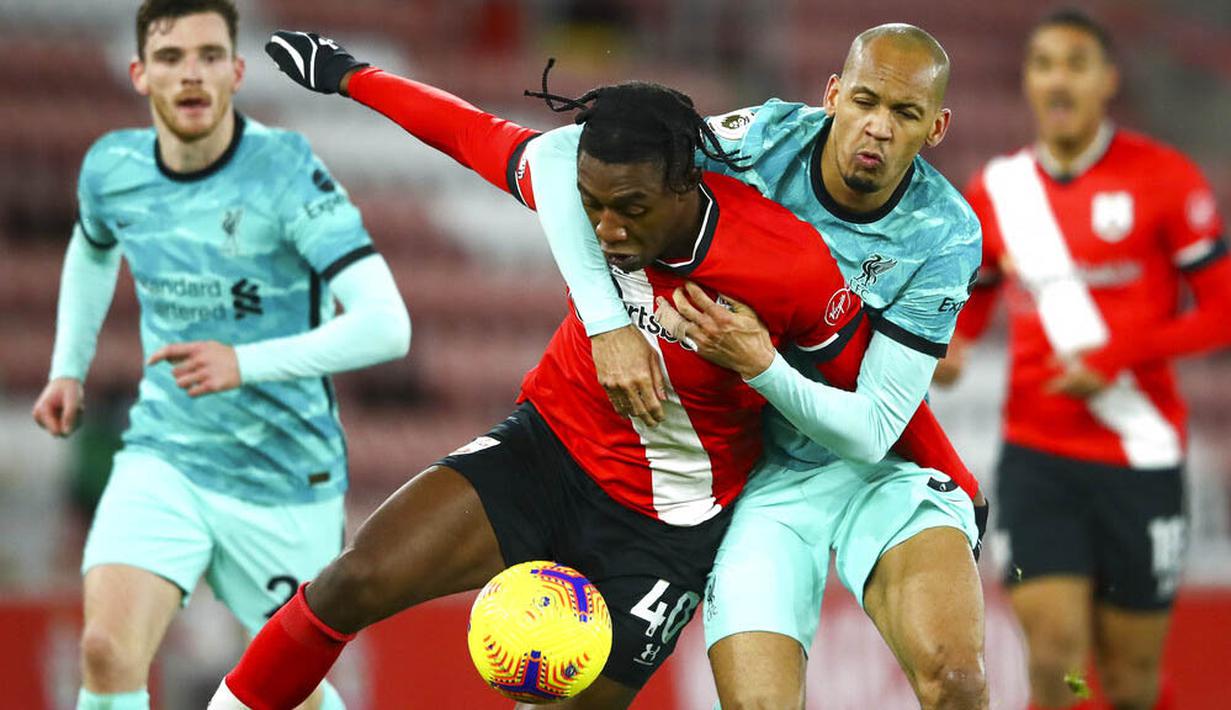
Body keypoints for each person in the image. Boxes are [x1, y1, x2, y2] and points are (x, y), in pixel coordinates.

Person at [208, 30, 981, 710]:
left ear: (687, 184)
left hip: (671, 525)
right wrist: (348, 74)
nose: (605, 228)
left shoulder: (798, 271)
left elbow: (873, 405)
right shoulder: (640, 172)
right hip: (547, 451)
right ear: (833, 95)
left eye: (628, 210)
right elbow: (493, 141)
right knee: (350, 582)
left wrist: (952, 481)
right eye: (590, 206)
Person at [526, 23, 989, 710]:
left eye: (905, 113)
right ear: (832, 94)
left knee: (953, 683)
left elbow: (871, 430)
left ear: (936, 128)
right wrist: (606, 325)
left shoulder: (945, 232)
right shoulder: (758, 141)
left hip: (879, 473)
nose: (878, 127)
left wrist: (761, 366)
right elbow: (564, 149)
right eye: (864, 101)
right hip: (766, 479)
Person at [29, 3, 411, 709]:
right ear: (141, 74)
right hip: (165, 452)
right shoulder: (112, 167)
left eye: (209, 55)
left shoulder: (286, 171)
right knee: (106, 650)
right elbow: (91, 247)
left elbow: (388, 326)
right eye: (171, 58)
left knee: (296, 694)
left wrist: (246, 363)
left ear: (235, 72)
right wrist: (67, 369)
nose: (191, 74)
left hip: (284, 471)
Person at [935, 9, 1231, 710]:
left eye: (1074, 62)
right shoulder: (997, 187)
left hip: (1140, 456)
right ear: (1028, 82)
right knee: (1054, 658)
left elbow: (1219, 311)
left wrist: (1118, 355)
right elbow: (979, 290)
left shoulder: (1164, 180)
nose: (1056, 77)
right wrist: (955, 349)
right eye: (1042, 63)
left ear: (1106, 81)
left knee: (1129, 684)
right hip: (1037, 459)